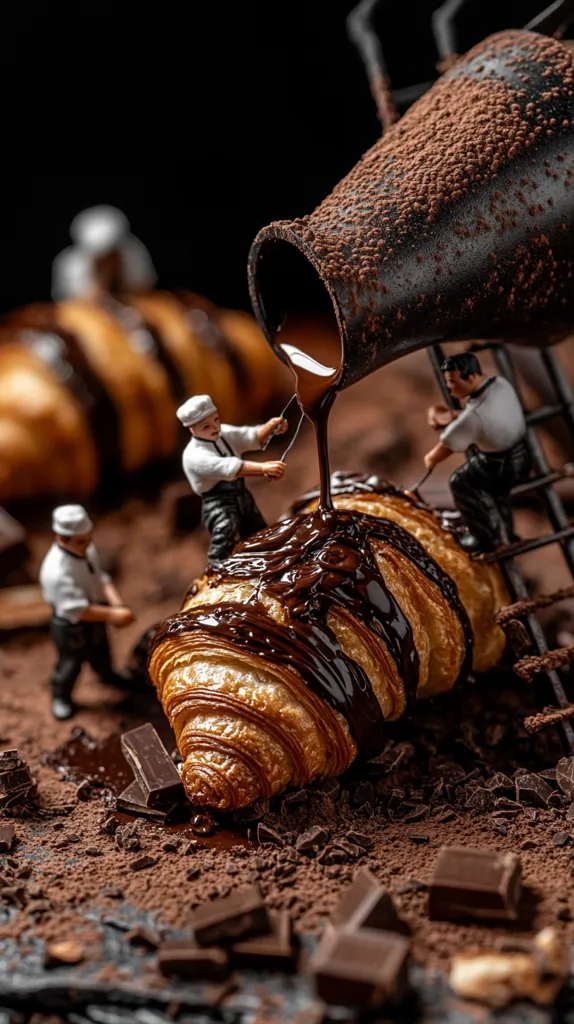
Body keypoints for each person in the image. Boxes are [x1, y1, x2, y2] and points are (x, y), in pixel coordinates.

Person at [424, 352, 532, 553]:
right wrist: (456, 416)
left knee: (461, 483)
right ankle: (507, 534)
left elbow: (449, 443)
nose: (449, 387)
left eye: (453, 382)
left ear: (471, 377)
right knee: (497, 492)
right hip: (524, 457)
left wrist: (430, 458)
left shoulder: (474, 415)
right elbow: (488, 418)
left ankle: (486, 539)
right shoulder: (500, 384)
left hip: (500, 464)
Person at [39, 505, 135, 720]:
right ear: (63, 539)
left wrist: (117, 604)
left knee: (101, 650)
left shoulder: (86, 550)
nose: (88, 543)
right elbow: (76, 610)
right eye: (81, 541)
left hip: (96, 613)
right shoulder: (56, 571)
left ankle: (107, 675)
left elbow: (101, 578)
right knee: (70, 665)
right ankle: (60, 695)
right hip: (71, 625)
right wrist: (113, 615)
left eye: (88, 537)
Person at [178, 394, 288, 564]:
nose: (215, 427)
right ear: (192, 429)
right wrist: (263, 468)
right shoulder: (194, 456)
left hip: (240, 492)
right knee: (225, 530)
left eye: (216, 420)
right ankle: (218, 568)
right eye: (206, 426)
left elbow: (250, 437)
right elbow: (230, 467)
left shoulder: (222, 433)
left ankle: (267, 558)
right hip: (218, 501)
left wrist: (270, 427)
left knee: (257, 527)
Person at [52, 205, 156, 302]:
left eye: (110, 254)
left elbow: (143, 290)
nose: (105, 260)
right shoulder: (71, 265)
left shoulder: (135, 256)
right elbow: (70, 302)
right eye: (100, 256)